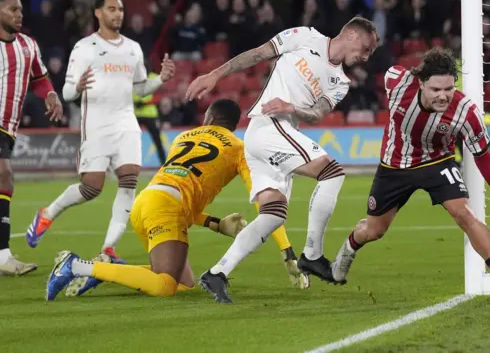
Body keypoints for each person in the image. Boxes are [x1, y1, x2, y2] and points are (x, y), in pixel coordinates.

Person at [186, 18, 379, 303]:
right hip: (267, 127)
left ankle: (217, 273)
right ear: (350, 33)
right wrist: (215, 75)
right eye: (366, 48)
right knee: (333, 173)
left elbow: (315, 114)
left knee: (274, 214)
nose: (365, 56)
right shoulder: (304, 36)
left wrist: (291, 107)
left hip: (278, 134)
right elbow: (257, 54)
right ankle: (312, 255)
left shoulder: (341, 82)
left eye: (369, 54)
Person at [46, 99, 308, 300]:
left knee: (185, 284)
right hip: (166, 211)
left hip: (146, 202)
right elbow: (265, 202)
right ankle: (76, 266)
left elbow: (179, 192)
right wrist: (287, 251)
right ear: (234, 126)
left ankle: (110, 267)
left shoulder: (184, 137)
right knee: (165, 285)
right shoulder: (239, 148)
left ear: (208, 117)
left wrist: (215, 224)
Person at [330, 48, 490, 301]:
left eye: (449, 88)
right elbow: (377, 63)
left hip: (437, 162)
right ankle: (348, 250)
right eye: (436, 89)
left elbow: (484, 159)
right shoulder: (398, 83)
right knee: (374, 231)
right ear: (421, 83)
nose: (443, 96)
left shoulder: (465, 112)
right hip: (395, 165)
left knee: (463, 213)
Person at [26, 0, 176, 260]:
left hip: (126, 123)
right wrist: (79, 88)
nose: (118, 14)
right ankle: (47, 214)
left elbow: (141, 88)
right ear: (98, 13)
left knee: (129, 180)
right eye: (111, 9)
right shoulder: (84, 48)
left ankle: (108, 249)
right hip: (96, 125)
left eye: (120, 9)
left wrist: (161, 80)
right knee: (91, 188)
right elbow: (68, 92)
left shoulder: (133, 48)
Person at [0, 0, 63, 276]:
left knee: (4, 181)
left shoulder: (28, 45)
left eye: (21, 9)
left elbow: (40, 78)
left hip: (8, 127)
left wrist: (50, 94)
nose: (19, 14)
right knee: (4, 175)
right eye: (12, 9)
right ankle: (2, 257)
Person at [133, 71, 167, 165]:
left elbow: (160, 95)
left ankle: (164, 164)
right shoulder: (132, 75)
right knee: (129, 140)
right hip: (136, 114)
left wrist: (145, 103)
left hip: (150, 114)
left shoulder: (153, 77)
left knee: (157, 141)